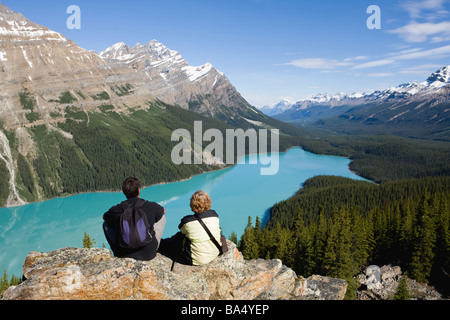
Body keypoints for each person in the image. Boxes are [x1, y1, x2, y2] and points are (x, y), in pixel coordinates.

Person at [103, 177, 166, 261]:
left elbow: (105, 217)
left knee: (106, 224)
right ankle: (150, 241)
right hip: (149, 253)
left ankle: (117, 248)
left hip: (123, 253)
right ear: (139, 190)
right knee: (162, 217)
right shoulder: (151, 206)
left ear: (124, 192)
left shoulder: (116, 209)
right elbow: (163, 211)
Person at [159, 191, 222, 266]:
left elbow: (181, 229)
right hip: (215, 252)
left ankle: (159, 244)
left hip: (195, 260)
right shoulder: (214, 215)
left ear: (192, 204)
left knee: (179, 236)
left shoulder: (187, 221)